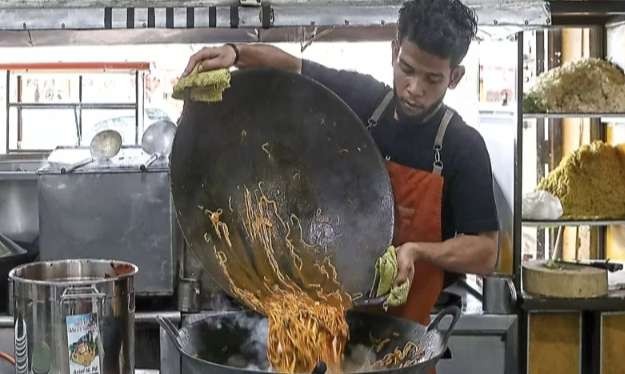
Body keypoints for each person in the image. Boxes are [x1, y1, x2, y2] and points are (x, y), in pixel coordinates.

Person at [183, 0, 498, 326]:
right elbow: (293, 67)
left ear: (455, 76)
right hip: (328, 322)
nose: (414, 89)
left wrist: (418, 251)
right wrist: (235, 53)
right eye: (407, 69)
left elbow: (486, 253)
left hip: (403, 339)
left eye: (432, 79)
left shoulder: (463, 146)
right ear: (394, 50)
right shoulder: (364, 100)